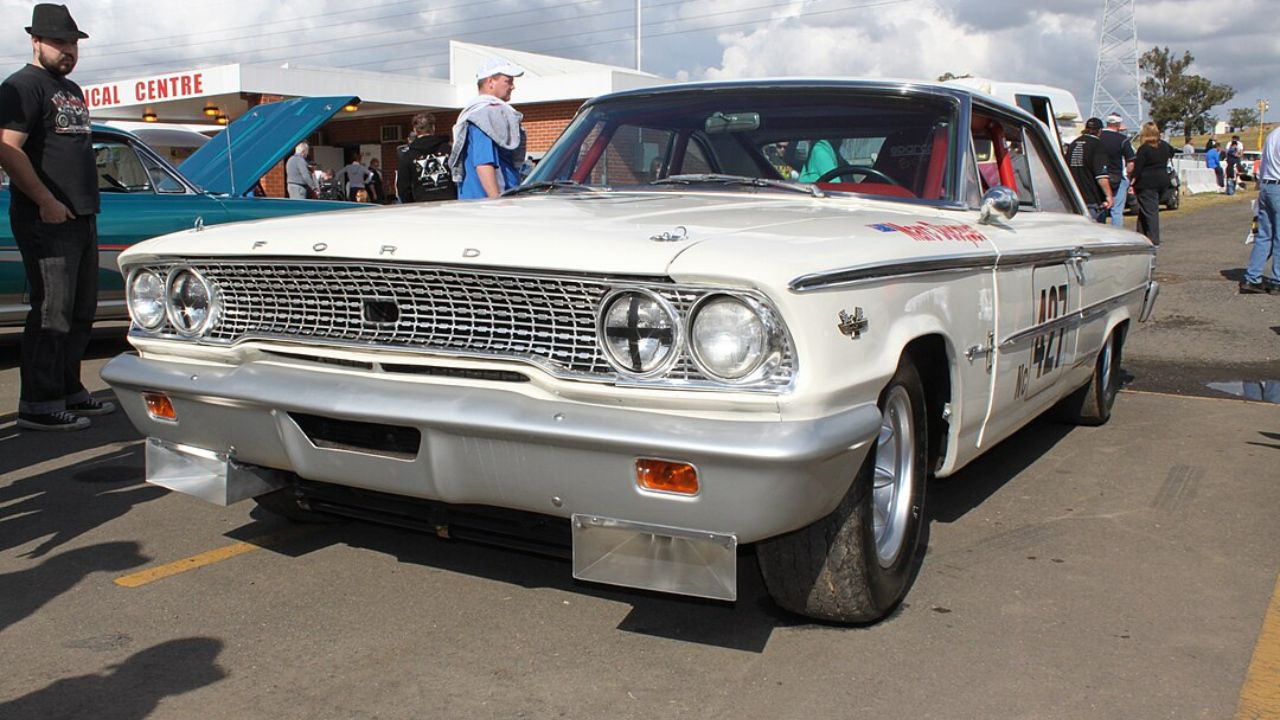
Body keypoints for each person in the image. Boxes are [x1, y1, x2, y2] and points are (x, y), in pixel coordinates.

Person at [0, 3, 114, 431]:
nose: (68, 50)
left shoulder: (72, 90)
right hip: (44, 218)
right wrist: (45, 199)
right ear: (36, 41)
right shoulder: (22, 86)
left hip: (82, 214)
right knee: (52, 312)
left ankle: (68, 390)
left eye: (73, 42)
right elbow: (6, 147)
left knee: (81, 311)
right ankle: (38, 404)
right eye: (59, 42)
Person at [449, 57, 526, 200]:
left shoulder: (474, 114)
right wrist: (496, 200)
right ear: (491, 81)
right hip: (487, 205)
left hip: (478, 202)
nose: (512, 86)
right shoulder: (485, 116)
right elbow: (484, 163)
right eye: (508, 81)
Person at [1239, 124, 1280, 293]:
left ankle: (1253, 277)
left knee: (1264, 235)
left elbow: (1263, 164)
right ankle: (1277, 279)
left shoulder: (1273, 135)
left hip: (1267, 185)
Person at [1129, 121, 1175, 245]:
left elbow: (1138, 167)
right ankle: (1141, 234)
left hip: (1146, 183)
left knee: (1150, 212)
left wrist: (1132, 180)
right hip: (1162, 181)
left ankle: (1154, 238)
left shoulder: (1144, 149)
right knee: (1145, 210)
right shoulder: (1164, 146)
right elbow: (1172, 152)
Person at [397, 112, 456, 203]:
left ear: (415, 130)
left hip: (422, 208)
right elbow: (460, 174)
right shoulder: (449, 150)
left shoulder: (408, 156)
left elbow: (403, 187)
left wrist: (411, 205)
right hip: (451, 203)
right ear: (433, 128)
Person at [1065, 117, 1113, 223]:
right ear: (1100, 131)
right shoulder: (1097, 145)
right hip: (1092, 198)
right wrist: (1109, 196)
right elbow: (1101, 176)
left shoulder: (1073, 144)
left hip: (1075, 197)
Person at [1099, 113, 1136, 227]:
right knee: (1117, 211)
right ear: (1118, 124)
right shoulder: (1122, 140)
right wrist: (1129, 177)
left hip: (1099, 176)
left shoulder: (1098, 137)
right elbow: (1130, 162)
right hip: (1116, 177)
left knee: (1101, 209)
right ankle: (1117, 233)